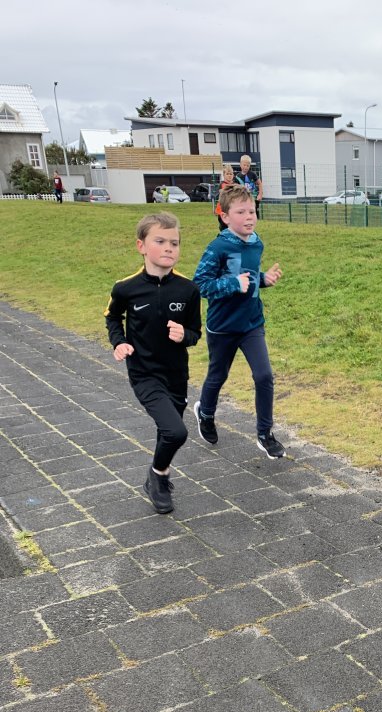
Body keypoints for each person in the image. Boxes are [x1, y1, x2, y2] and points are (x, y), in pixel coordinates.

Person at [105, 212, 201, 513]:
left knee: (167, 430)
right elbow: (112, 317)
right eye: (160, 241)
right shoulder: (126, 288)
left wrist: (184, 334)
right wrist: (119, 342)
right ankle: (158, 475)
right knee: (177, 432)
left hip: (176, 374)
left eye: (174, 242)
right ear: (141, 246)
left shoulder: (188, 289)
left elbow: (196, 332)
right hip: (144, 373)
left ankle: (157, 477)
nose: (169, 248)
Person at [192, 185, 284, 458]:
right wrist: (232, 284)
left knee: (264, 376)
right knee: (218, 375)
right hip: (222, 327)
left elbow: (248, 276)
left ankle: (265, 433)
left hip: (252, 323)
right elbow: (200, 285)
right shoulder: (217, 247)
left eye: (252, 211)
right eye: (241, 212)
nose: (249, 217)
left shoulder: (257, 242)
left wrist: (264, 279)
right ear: (225, 217)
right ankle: (205, 413)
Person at [215, 164, 235, 231]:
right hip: (222, 210)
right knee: (224, 227)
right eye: (227, 174)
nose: (229, 175)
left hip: (230, 209)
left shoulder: (234, 184)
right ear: (224, 175)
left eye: (231, 174)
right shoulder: (222, 184)